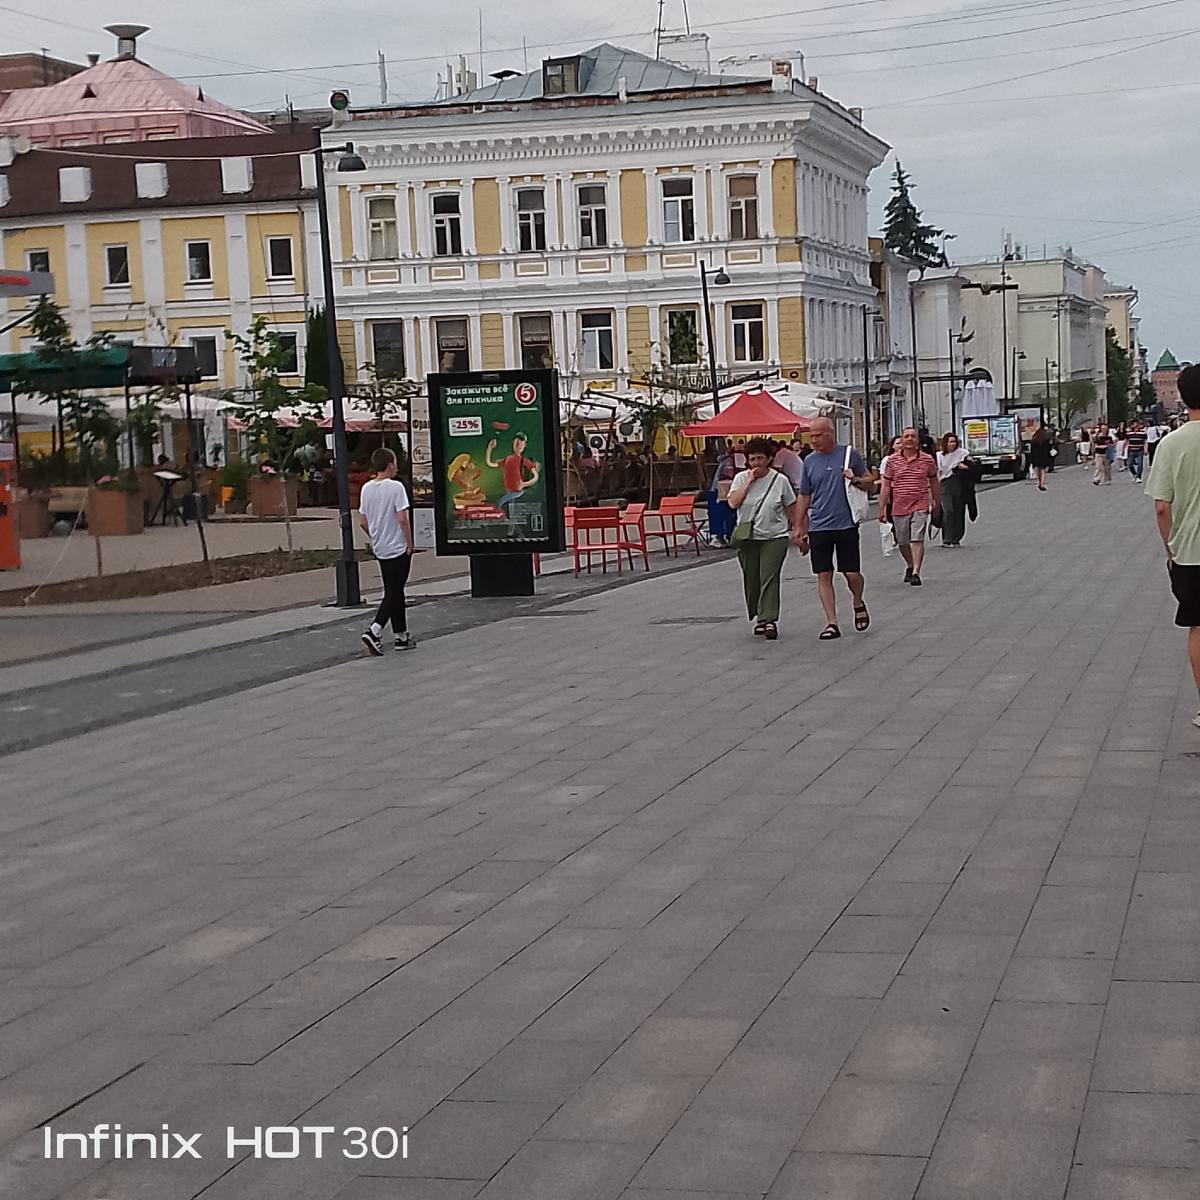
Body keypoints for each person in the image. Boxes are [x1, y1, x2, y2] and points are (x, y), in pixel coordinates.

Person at [1146, 365, 1200, 727]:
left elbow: (1162, 505)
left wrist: (1170, 550)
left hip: (1191, 553)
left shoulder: (1172, 443)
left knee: (1199, 628)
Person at [794, 417, 872, 639]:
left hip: (846, 523)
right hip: (819, 525)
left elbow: (871, 483)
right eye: (812, 436)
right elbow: (804, 495)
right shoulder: (808, 461)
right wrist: (799, 525)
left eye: (818, 435)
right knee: (823, 574)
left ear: (830, 433)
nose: (814, 440)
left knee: (851, 573)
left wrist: (855, 479)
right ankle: (832, 622)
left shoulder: (849, 454)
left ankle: (857, 600)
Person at [728, 437, 800, 640]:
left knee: (769, 576)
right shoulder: (741, 478)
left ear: (769, 459)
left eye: (761, 458)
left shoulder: (780, 480)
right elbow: (733, 503)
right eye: (752, 459)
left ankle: (769, 619)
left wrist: (800, 531)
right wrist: (750, 481)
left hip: (774, 536)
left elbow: (791, 508)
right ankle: (759, 615)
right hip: (748, 537)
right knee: (751, 578)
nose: (756, 463)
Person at [358, 447, 415, 655]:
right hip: (398, 547)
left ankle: (401, 636)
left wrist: (375, 537)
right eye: (396, 463)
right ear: (390, 465)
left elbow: (363, 522)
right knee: (394, 591)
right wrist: (409, 543)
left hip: (380, 547)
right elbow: (402, 519)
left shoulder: (366, 489)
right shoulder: (396, 487)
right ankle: (375, 630)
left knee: (394, 589)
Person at [879, 426, 940, 586]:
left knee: (917, 537)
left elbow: (934, 482)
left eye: (913, 436)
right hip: (899, 505)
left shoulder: (927, 459)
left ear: (917, 440)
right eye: (906, 436)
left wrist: (937, 502)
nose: (910, 439)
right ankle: (910, 563)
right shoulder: (892, 461)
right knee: (902, 540)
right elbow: (886, 485)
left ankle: (916, 572)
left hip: (920, 503)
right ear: (902, 440)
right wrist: (882, 507)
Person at [486, 433, 541, 511]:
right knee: (511, 506)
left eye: (521, 443)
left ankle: (499, 514)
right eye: (517, 442)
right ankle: (510, 518)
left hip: (517, 491)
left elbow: (536, 477)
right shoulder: (507, 459)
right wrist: (490, 448)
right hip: (509, 490)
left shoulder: (524, 461)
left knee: (499, 502)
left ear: (525, 445)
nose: (519, 445)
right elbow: (490, 463)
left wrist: (523, 484)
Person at [936, 432, 973, 546]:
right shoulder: (939, 455)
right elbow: (936, 471)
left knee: (958, 509)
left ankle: (956, 537)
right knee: (948, 509)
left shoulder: (961, 453)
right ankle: (947, 537)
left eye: (954, 442)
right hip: (944, 483)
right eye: (950, 442)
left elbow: (971, 463)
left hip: (957, 482)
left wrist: (965, 466)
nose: (952, 444)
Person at [707, 443, 738, 547]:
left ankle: (724, 536)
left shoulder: (727, 460)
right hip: (720, 491)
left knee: (726, 514)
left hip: (720, 490)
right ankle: (719, 537)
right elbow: (730, 474)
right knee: (722, 514)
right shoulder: (729, 461)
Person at [1029, 424, 1054, 491]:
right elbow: (1049, 449)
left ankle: (1040, 482)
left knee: (1039, 470)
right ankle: (1042, 484)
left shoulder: (1034, 442)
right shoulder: (1046, 441)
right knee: (1043, 471)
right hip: (1044, 458)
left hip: (1037, 458)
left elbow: (1032, 451)